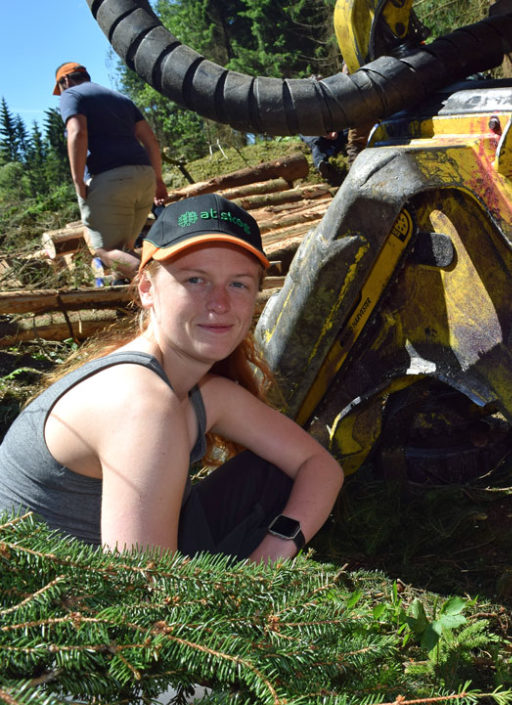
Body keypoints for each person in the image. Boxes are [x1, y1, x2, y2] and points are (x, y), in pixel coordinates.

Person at [0, 194, 344, 562]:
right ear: (147, 289)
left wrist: (272, 552)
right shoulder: (139, 403)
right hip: (54, 593)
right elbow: (147, 584)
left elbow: (319, 464)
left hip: (121, 580)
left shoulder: (202, 391)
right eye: (196, 279)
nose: (220, 303)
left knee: (269, 472)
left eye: (239, 284)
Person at [54, 62, 169, 281]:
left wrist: (78, 180)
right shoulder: (120, 98)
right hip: (144, 177)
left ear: (65, 81)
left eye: (60, 88)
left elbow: (78, 133)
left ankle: (165, 286)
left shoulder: (71, 95)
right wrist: (158, 180)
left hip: (109, 179)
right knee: (124, 250)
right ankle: (125, 295)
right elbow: (151, 140)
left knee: (106, 251)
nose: (61, 93)